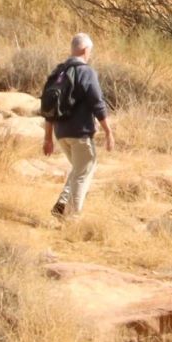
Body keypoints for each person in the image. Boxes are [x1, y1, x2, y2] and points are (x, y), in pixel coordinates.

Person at [39, 33, 114, 222]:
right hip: (80, 133)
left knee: (79, 168)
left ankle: (62, 203)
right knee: (83, 172)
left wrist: (48, 138)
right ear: (85, 50)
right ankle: (73, 218)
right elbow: (97, 103)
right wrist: (108, 131)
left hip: (61, 133)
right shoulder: (85, 72)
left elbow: (49, 108)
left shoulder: (58, 72)